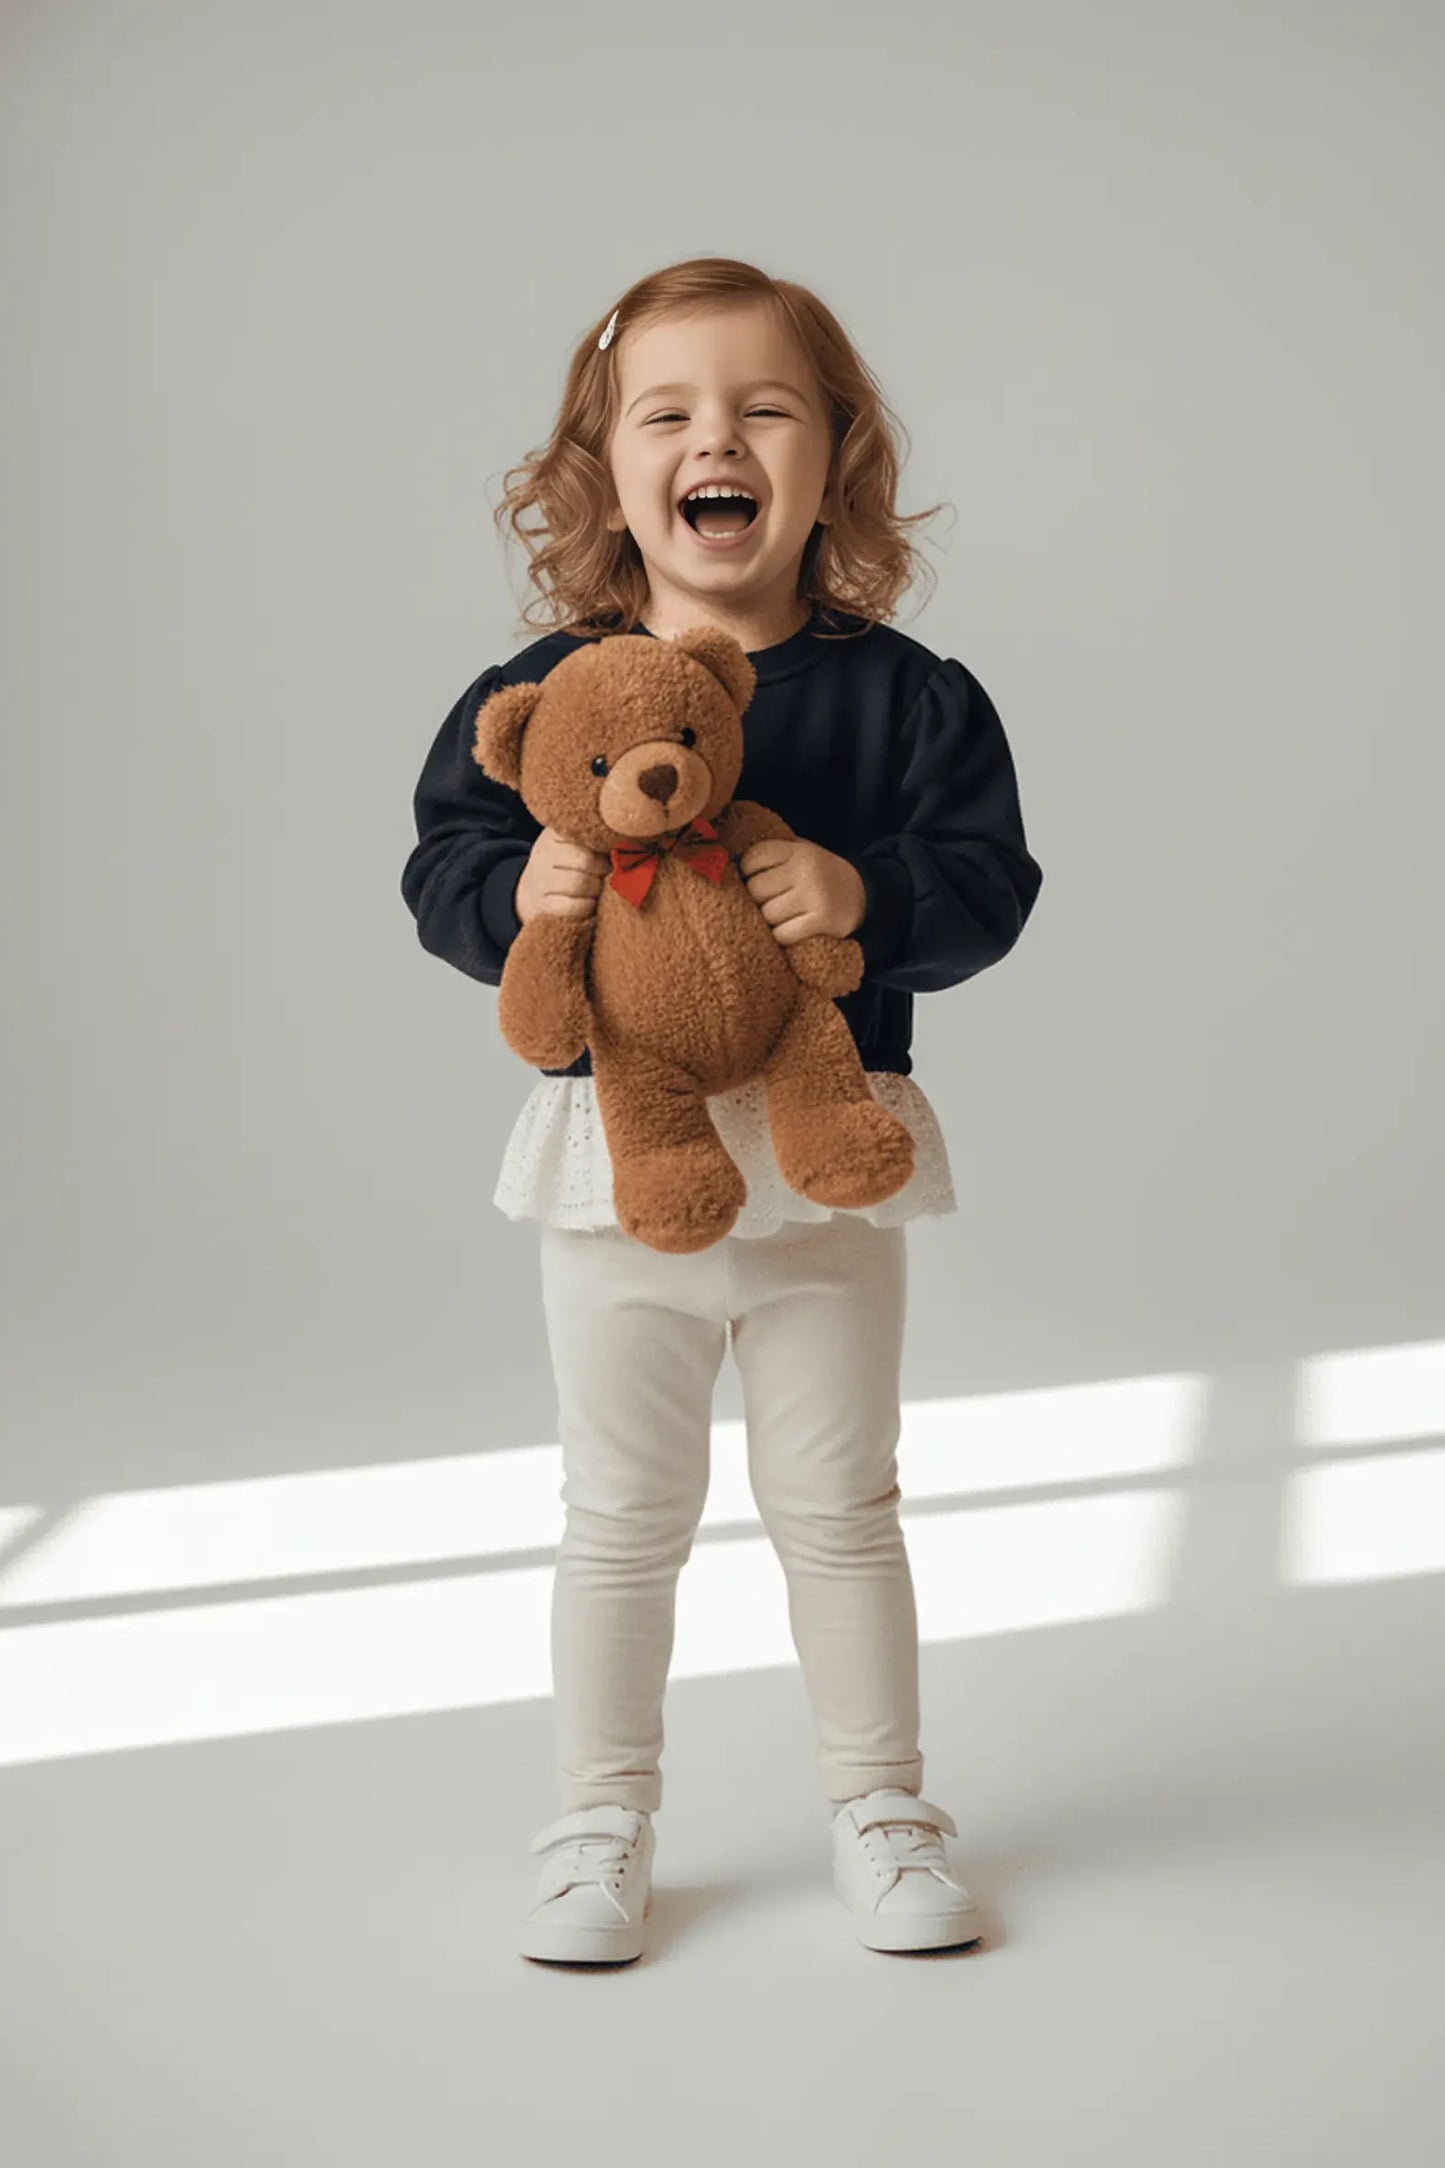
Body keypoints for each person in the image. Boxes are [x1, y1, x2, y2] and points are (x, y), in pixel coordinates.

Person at [400, 257, 1043, 1964]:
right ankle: (597, 1819)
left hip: (827, 1153)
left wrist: (862, 892)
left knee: (843, 1505)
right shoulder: (537, 697)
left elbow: (989, 882)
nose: (718, 440)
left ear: (833, 456)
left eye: (765, 409)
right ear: (604, 469)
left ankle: (882, 1807)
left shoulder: (912, 695)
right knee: (619, 1513)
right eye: (669, 413)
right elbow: (437, 868)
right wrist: (518, 893)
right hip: (617, 1157)